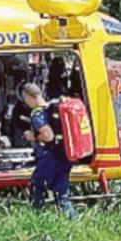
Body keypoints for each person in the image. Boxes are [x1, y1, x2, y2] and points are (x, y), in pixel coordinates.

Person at [22, 83, 76, 218]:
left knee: (36, 184)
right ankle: (71, 219)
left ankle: (37, 217)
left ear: (27, 97)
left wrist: (32, 136)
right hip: (65, 155)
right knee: (61, 193)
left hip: (50, 156)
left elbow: (48, 136)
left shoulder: (37, 114)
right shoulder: (52, 108)